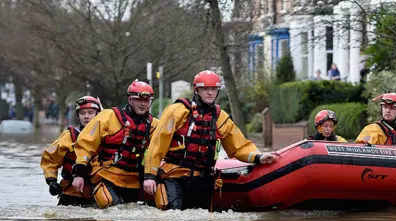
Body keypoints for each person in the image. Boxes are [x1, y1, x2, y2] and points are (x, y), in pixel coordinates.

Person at [143, 70, 278, 210]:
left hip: (203, 179)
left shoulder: (220, 117)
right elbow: (157, 145)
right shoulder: (177, 111)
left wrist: (258, 156)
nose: (210, 93)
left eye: (214, 89)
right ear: (196, 90)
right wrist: (149, 176)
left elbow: (239, 146)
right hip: (174, 176)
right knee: (172, 215)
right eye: (205, 89)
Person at [72, 80, 159, 208]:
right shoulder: (108, 117)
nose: (142, 104)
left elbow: (159, 152)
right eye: (138, 100)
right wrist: (79, 174)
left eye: (146, 101)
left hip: (133, 180)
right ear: (129, 99)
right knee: (111, 209)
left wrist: (151, 176)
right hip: (106, 175)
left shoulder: (154, 125)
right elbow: (85, 145)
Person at [40, 96, 102, 207]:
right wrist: (51, 181)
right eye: (82, 113)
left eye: (90, 112)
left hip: (100, 195)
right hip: (71, 195)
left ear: (98, 114)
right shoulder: (68, 137)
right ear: (78, 116)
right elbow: (50, 159)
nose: (86, 116)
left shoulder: (106, 137)